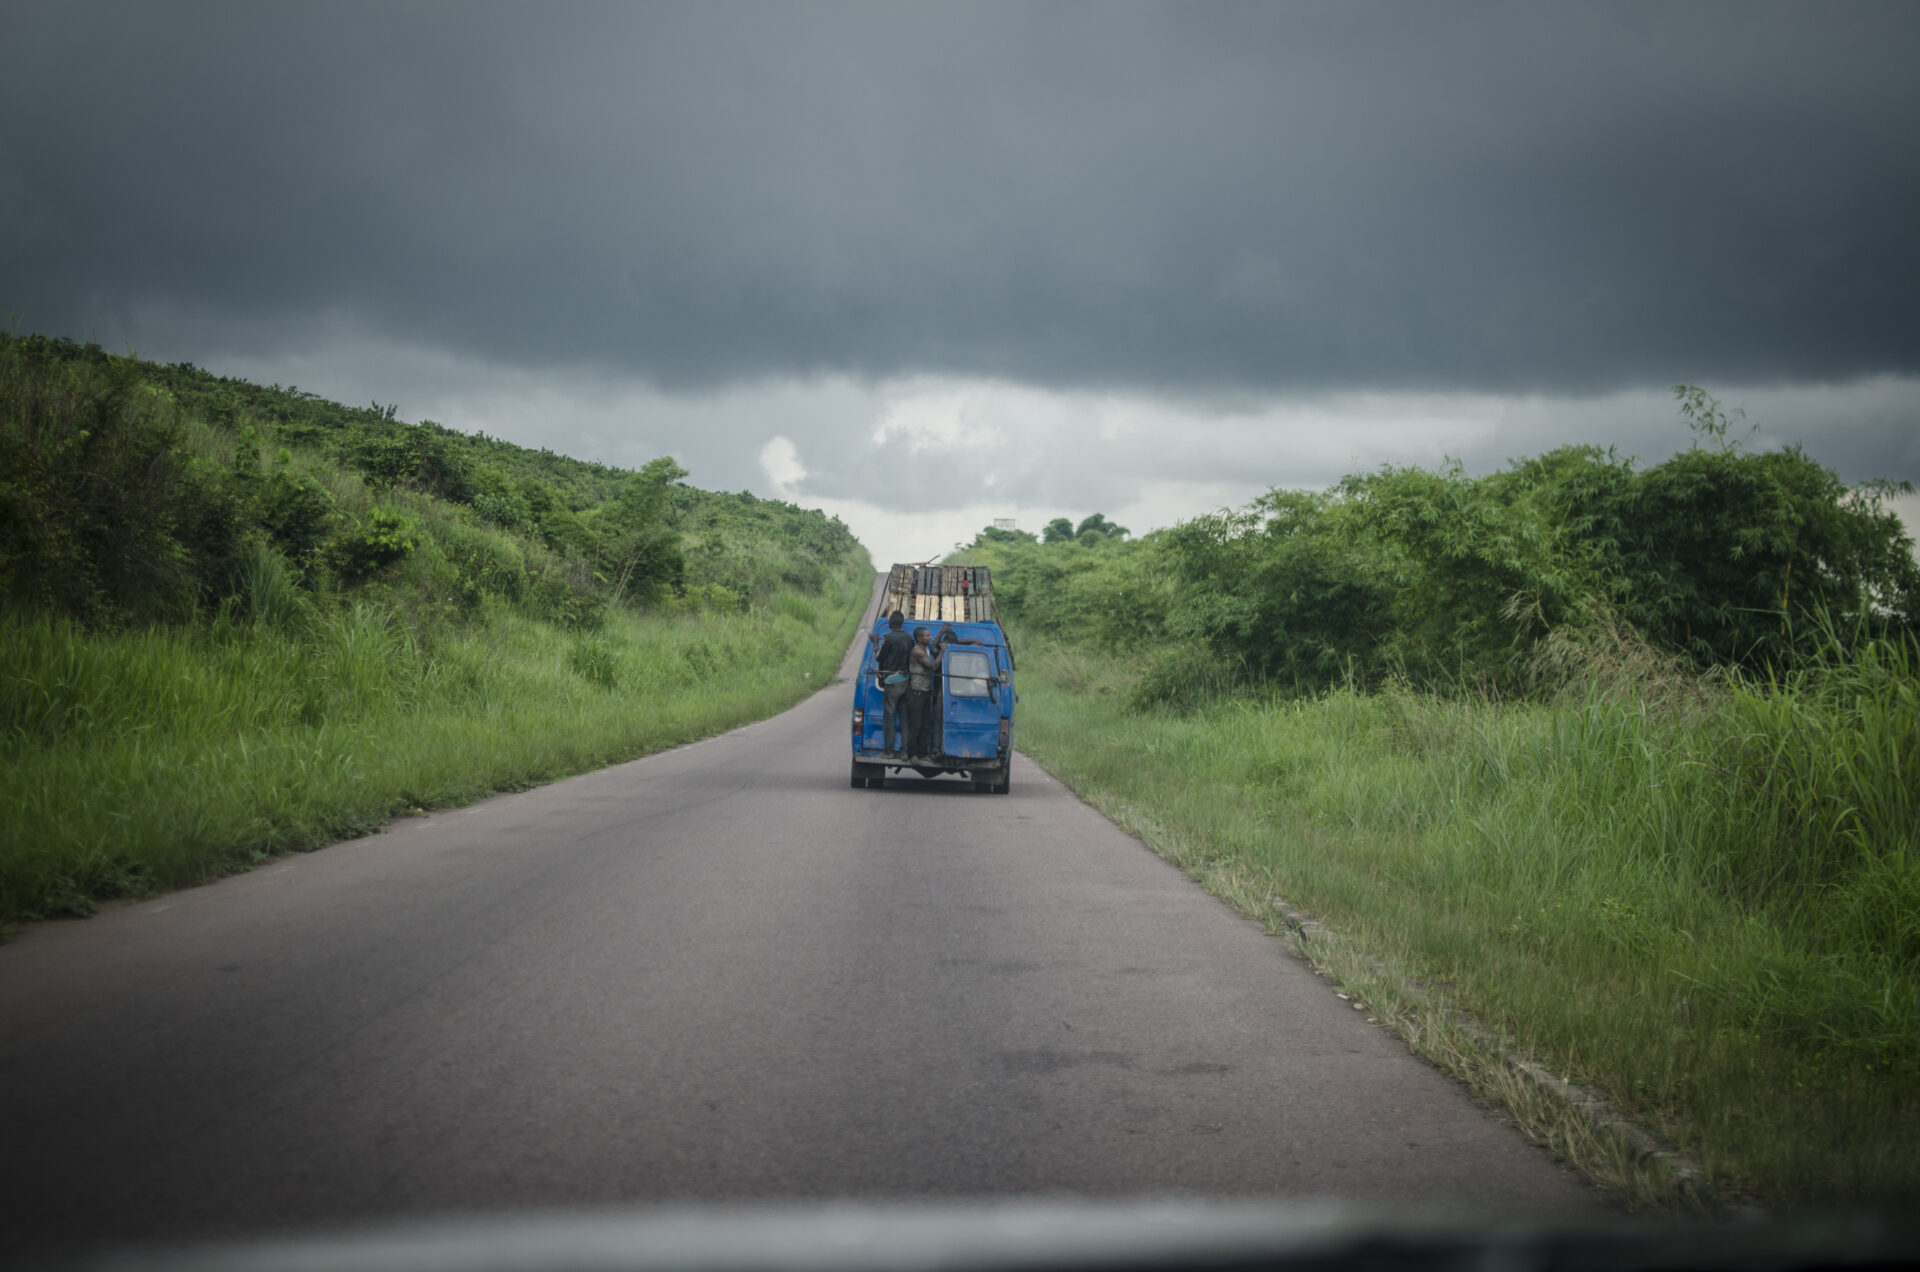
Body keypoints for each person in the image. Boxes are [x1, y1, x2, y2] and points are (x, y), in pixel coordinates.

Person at [872, 610, 915, 756]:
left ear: (891, 622)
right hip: (905, 681)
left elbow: (879, 658)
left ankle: (888, 751)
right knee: (904, 718)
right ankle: (905, 751)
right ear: (902, 622)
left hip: (892, 681)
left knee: (889, 717)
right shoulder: (909, 638)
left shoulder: (888, 638)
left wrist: (874, 644)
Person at [905, 626, 938, 757]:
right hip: (916, 693)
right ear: (919, 638)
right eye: (927, 635)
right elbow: (932, 666)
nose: (930, 637)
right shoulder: (917, 651)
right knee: (916, 726)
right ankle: (912, 754)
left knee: (925, 726)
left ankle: (922, 754)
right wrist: (943, 652)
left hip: (924, 692)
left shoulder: (926, 650)